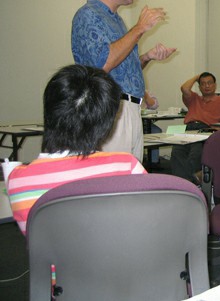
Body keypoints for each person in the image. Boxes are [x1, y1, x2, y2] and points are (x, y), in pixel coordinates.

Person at [7, 65, 147, 235]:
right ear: (107, 124)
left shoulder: (17, 180)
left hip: (54, 262)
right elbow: (144, 224)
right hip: (117, 259)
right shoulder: (127, 166)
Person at [71, 0, 176, 162]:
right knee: (111, 185)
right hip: (109, 113)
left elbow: (121, 69)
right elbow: (101, 65)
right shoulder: (88, 15)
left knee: (130, 184)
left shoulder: (116, 20)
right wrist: (139, 28)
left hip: (130, 111)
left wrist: (147, 57)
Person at [170, 72, 220, 183]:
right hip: (188, 129)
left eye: (210, 83)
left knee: (195, 155)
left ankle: (189, 183)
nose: (207, 86)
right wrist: (197, 77)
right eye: (203, 84)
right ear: (199, 87)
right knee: (176, 153)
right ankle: (185, 182)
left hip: (205, 130)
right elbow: (184, 88)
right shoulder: (194, 99)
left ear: (215, 85)